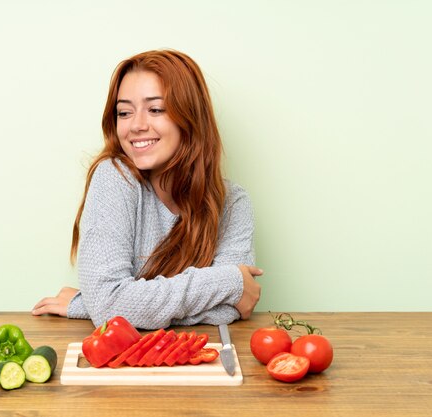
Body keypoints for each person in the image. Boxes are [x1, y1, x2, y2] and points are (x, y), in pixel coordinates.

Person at [32, 49, 262, 329]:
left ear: (189, 116)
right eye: (124, 112)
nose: (136, 126)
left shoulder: (233, 203)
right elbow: (108, 306)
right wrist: (229, 281)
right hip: (124, 364)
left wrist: (94, 305)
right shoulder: (114, 177)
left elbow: (235, 309)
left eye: (155, 109)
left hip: (196, 361)